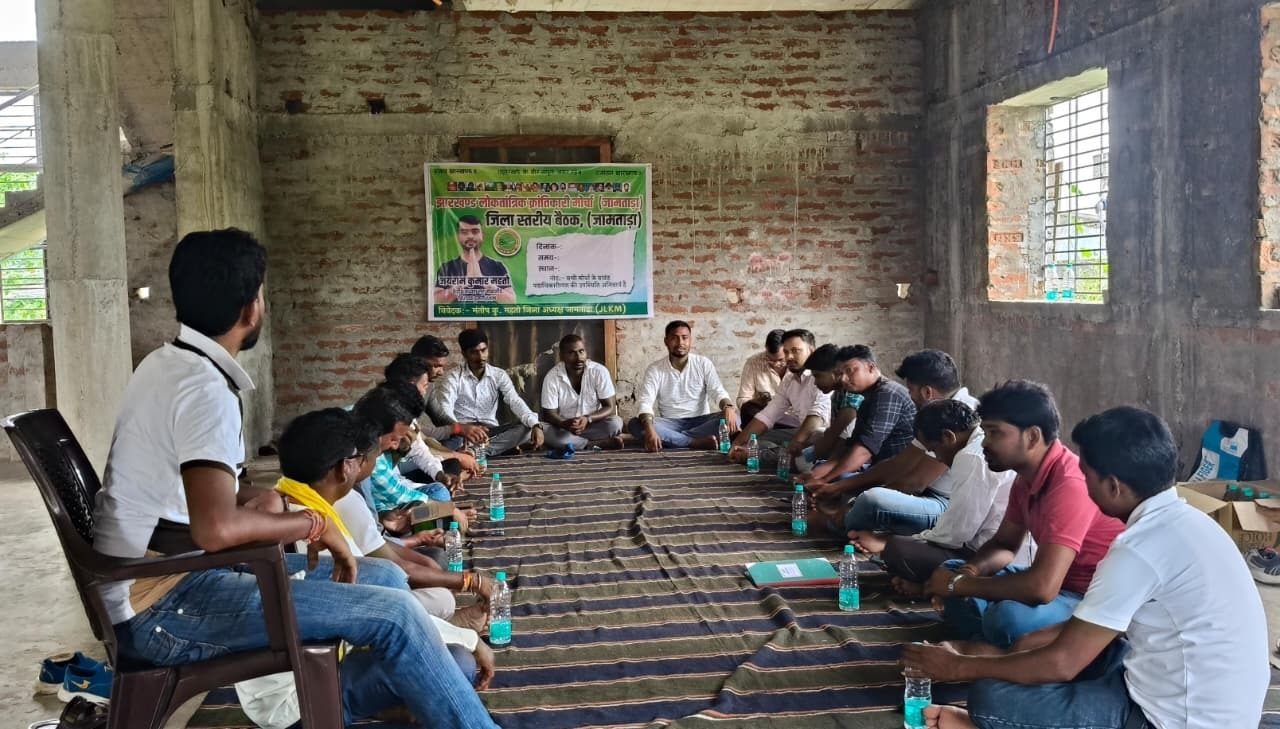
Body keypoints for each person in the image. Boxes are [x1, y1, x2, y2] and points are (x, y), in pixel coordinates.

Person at [91, 228, 498, 728]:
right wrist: (312, 523)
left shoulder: (163, 365)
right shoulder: (205, 389)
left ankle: (389, 681)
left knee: (387, 577)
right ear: (251, 309)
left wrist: (265, 500)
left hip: (152, 580)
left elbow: (195, 493)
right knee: (395, 615)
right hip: (163, 603)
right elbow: (215, 528)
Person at [903, 406, 1270, 729]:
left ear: (1113, 486)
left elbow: (1062, 663)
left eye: (1087, 475)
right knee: (1035, 653)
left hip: (1168, 720)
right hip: (1195, 697)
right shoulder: (1189, 521)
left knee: (991, 699)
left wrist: (958, 668)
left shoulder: (1138, 547)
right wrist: (1026, 647)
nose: (1082, 483)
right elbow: (1107, 628)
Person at [235, 408, 496, 729]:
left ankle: (395, 704)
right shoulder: (314, 534)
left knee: (403, 592)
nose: (366, 464)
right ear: (344, 467)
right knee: (457, 662)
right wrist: (470, 638)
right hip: (297, 700)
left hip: (313, 664)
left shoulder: (295, 503)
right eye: (360, 457)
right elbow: (389, 613)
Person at [920, 381, 1125, 648]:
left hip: (1087, 599)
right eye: (985, 432)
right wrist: (968, 572)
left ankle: (997, 643)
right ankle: (1002, 641)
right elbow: (1004, 545)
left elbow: (1042, 587)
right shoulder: (1025, 478)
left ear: (1032, 437)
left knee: (1008, 618)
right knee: (950, 571)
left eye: (995, 433)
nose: (985, 443)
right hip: (1052, 585)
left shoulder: (1069, 483)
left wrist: (959, 586)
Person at [856, 400, 1028, 597]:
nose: (937, 458)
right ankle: (934, 585)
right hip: (989, 549)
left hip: (989, 558)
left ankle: (932, 588)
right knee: (904, 543)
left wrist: (891, 542)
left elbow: (957, 534)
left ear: (948, 437)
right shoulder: (976, 449)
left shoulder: (971, 456)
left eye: (934, 449)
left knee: (898, 548)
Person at [839, 350, 979, 536]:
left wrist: (854, 503)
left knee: (871, 501)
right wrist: (838, 487)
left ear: (927, 392)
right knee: (850, 484)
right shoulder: (935, 413)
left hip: (943, 502)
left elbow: (915, 483)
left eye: (910, 390)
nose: (910, 396)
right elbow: (899, 464)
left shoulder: (956, 417)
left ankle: (838, 524)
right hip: (925, 493)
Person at [804, 346, 916, 530]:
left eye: (850, 371)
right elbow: (852, 445)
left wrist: (827, 480)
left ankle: (837, 519)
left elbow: (864, 450)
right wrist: (823, 473)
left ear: (871, 367)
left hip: (896, 476)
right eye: (841, 373)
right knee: (827, 473)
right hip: (878, 469)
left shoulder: (888, 393)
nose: (844, 379)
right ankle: (836, 509)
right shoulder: (868, 397)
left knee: (859, 495)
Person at [628, 320, 739, 451]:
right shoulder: (655, 369)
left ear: (690, 340)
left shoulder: (703, 363)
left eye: (684, 338)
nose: (680, 342)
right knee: (636, 424)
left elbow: (717, 391)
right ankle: (694, 442)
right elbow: (646, 401)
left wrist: (728, 407)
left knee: (736, 418)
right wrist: (650, 429)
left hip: (702, 422)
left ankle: (673, 440)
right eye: (674, 338)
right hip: (670, 423)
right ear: (666, 341)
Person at [728, 329, 830, 469]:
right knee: (756, 440)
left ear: (812, 350)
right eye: (786, 352)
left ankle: (761, 455)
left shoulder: (822, 375)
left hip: (823, 435)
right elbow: (768, 415)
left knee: (806, 452)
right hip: (799, 432)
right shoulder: (789, 380)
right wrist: (736, 443)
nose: (789, 357)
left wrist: (796, 443)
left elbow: (817, 415)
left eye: (795, 351)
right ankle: (762, 453)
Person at [435, 328, 544, 456]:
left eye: (483, 350)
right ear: (464, 354)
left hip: (490, 431)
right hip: (463, 432)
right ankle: (494, 448)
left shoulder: (498, 375)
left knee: (525, 428)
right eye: (474, 352)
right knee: (446, 449)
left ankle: (475, 451)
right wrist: (462, 429)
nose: (481, 357)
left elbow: (514, 401)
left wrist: (536, 425)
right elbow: (445, 408)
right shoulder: (452, 377)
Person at [381, 352, 479, 486]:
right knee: (446, 471)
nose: (424, 391)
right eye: (424, 386)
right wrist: (455, 455)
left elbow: (420, 446)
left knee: (451, 454)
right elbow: (389, 482)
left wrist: (441, 476)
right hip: (392, 474)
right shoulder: (386, 411)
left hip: (400, 470)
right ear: (410, 385)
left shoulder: (405, 409)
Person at [407, 335, 488, 466]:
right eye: (436, 366)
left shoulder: (428, 386)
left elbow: (439, 416)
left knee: (459, 439)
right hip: (408, 449)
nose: (441, 372)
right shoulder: (403, 390)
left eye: (442, 367)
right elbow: (412, 433)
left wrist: (465, 429)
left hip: (422, 443)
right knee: (450, 457)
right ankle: (456, 459)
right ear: (419, 363)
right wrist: (456, 430)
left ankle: (457, 457)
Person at [539, 334, 625, 450]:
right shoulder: (552, 377)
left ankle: (572, 443)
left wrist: (588, 419)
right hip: (564, 428)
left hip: (591, 425)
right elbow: (549, 414)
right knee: (541, 429)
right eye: (572, 353)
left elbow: (609, 407)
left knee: (615, 423)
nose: (579, 357)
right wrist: (565, 424)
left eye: (581, 351)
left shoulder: (599, 372)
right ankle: (594, 444)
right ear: (561, 356)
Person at [433, 215, 516, 304]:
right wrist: (464, 282)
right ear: (458, 236)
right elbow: (436, 301)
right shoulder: (446, 268)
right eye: (464, 232)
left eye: (475, 231)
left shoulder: (498, 266)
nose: (470, 236)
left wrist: (483, 281)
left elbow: (511, 301)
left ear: (482, 235)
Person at [735, 328, 788, 424]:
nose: (776, 364)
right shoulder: (753, 363)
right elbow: (742, 399)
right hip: (764, 418)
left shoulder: (798, 366)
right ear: (766, 349)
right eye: (771, 360)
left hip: (792, 419)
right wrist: (755, 403)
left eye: (781, 360)